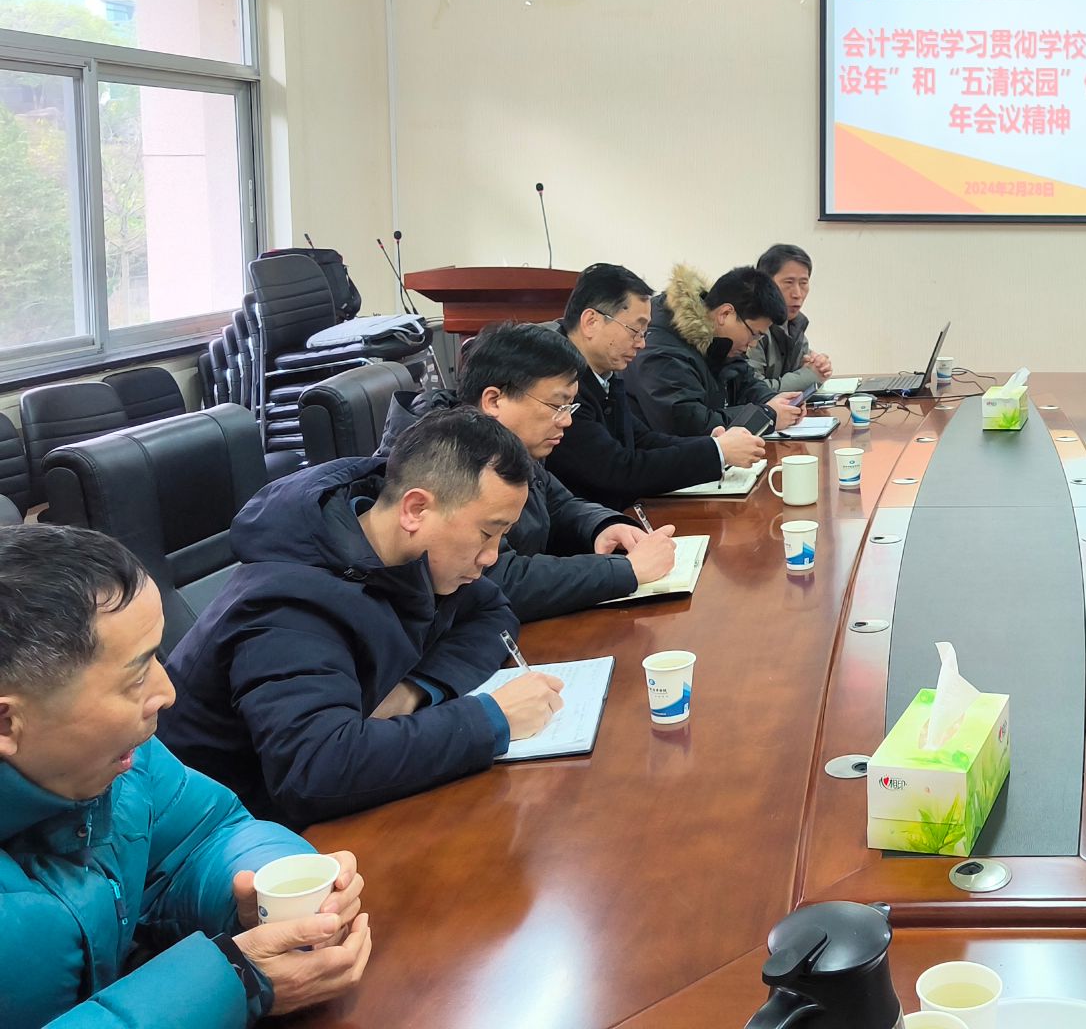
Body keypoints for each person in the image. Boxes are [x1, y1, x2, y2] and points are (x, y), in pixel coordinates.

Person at [1, 524, 372, 1027]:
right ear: (7, 723)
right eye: (136, 676)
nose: (167, 691)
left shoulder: (118, 760)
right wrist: (230, 984)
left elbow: (205, 836)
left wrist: (260, 889)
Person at [158, 409, 565, 828]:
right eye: (486, 533)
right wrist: (490, 719)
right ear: (415, 509)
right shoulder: (287, 603)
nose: (492, 556)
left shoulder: (412, 556)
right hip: (225, 839)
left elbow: (492, 612)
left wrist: (414, 690)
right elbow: (315, 769)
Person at [379, 322, 679, 621]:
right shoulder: (443, 458)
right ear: (494, 400)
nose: (566, 422)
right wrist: (626, 571)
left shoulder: (507, 442)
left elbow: (557, 502)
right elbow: (494, 579)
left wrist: (602, 526)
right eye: (556, 405)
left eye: (570, 408)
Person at [550, 263, 758, 507]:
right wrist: (716, 453)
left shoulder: (604, 374)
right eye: (635, 330)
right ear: (591, 322)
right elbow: (617, 471)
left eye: (644, 332)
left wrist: (710, 445)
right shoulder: (557, 381)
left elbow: (642, 440)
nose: (641, 344)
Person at [627, 263, 804, 438]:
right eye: (754, 335)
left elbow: (744, 382)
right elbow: (688, 425)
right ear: (725, 314)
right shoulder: (661, 349)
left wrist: (774, 401)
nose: (753, 344)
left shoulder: (720, 340)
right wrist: (766, 415)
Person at [748, 243, 833, 395]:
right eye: (789, 283)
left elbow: (804, 370)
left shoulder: (795, 324)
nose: (798, 294)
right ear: (766, 284)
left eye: (803, 283)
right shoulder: (751, 327)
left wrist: (818, 365)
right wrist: (810, 376)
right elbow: (752, 390)